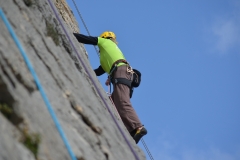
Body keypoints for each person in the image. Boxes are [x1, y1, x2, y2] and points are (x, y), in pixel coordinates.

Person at [73, 31, 147, 144]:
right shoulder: (106, 56)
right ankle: (131, 130)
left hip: (121, 71)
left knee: (122, 102)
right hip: (121, 73)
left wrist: (72, 34)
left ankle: (138, 127)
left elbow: (87, 39)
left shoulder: (105, 42)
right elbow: (98, 71)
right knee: (114, 103)